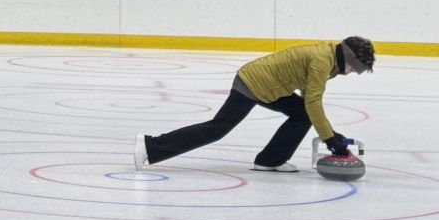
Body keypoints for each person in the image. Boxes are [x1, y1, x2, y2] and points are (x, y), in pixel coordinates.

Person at [138, 38, 375, 173]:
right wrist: (330, 139)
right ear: (348, 58)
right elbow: (313, 101)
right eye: (354, 68)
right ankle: (151, 146)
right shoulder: (322, 61)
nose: (351, 72)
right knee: (218, 128)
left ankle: (270, 160)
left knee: (302, 114)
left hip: (272, 87)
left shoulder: (330, 58)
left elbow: (308, 99)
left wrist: (330, 134)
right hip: (254, 83)